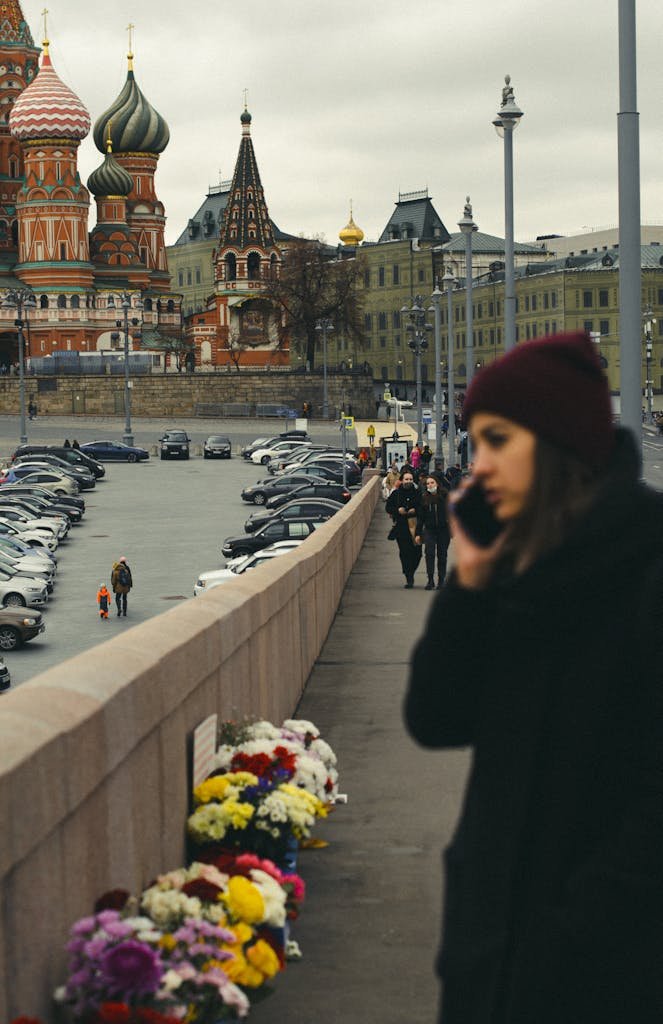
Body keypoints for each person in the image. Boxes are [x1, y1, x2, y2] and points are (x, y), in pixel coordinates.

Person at [404, 331, 663, 1024]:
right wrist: (468, 580)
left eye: (496, 440)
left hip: (596, 975)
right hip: (492, 956)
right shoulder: (522, 567)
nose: (476, 465)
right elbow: (435, 717)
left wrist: (565, 939)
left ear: (553, 444)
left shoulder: (644, 573)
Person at [385, 468, 422, 588]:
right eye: (406, 479)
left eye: (410, 479)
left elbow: (423, 508)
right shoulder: (396, 494)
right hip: (401, 528)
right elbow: (388, 508)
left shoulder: (418, 494)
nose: (408, 481)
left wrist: (415, 510)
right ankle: (408, 576)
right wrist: (398, 510)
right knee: (405, 552)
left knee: (417, 553)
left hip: (416, 527)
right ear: (402, 481)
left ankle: (412, 570)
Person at [415, 474, 450, 590]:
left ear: (437, 484)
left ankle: (441, 580)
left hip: (444, 530)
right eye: (428, 484)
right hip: (430, 530)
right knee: (429, 553)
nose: (430, 485)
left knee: (442, 554)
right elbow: (420, 518)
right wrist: (418, 534)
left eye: (432, 483)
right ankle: (430, 580)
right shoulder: (424, 498)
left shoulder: (445, 497)